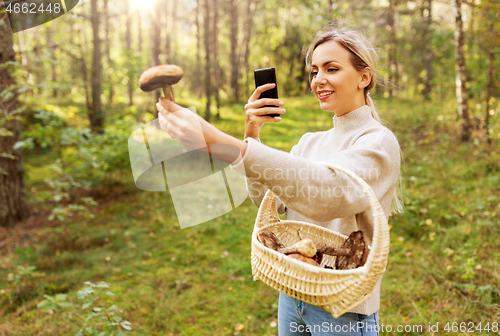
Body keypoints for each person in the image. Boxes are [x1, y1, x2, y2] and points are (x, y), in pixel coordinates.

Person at [157, 25, 403, 336]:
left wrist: (221, 142)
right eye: (314, 71)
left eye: (332, 68)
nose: (318, 80)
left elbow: (326, 195)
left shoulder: (377, 142)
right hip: (293, 292)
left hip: (342, 309)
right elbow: (269, 199)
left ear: (364, 77)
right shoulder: (310, 142)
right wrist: (251, 135)